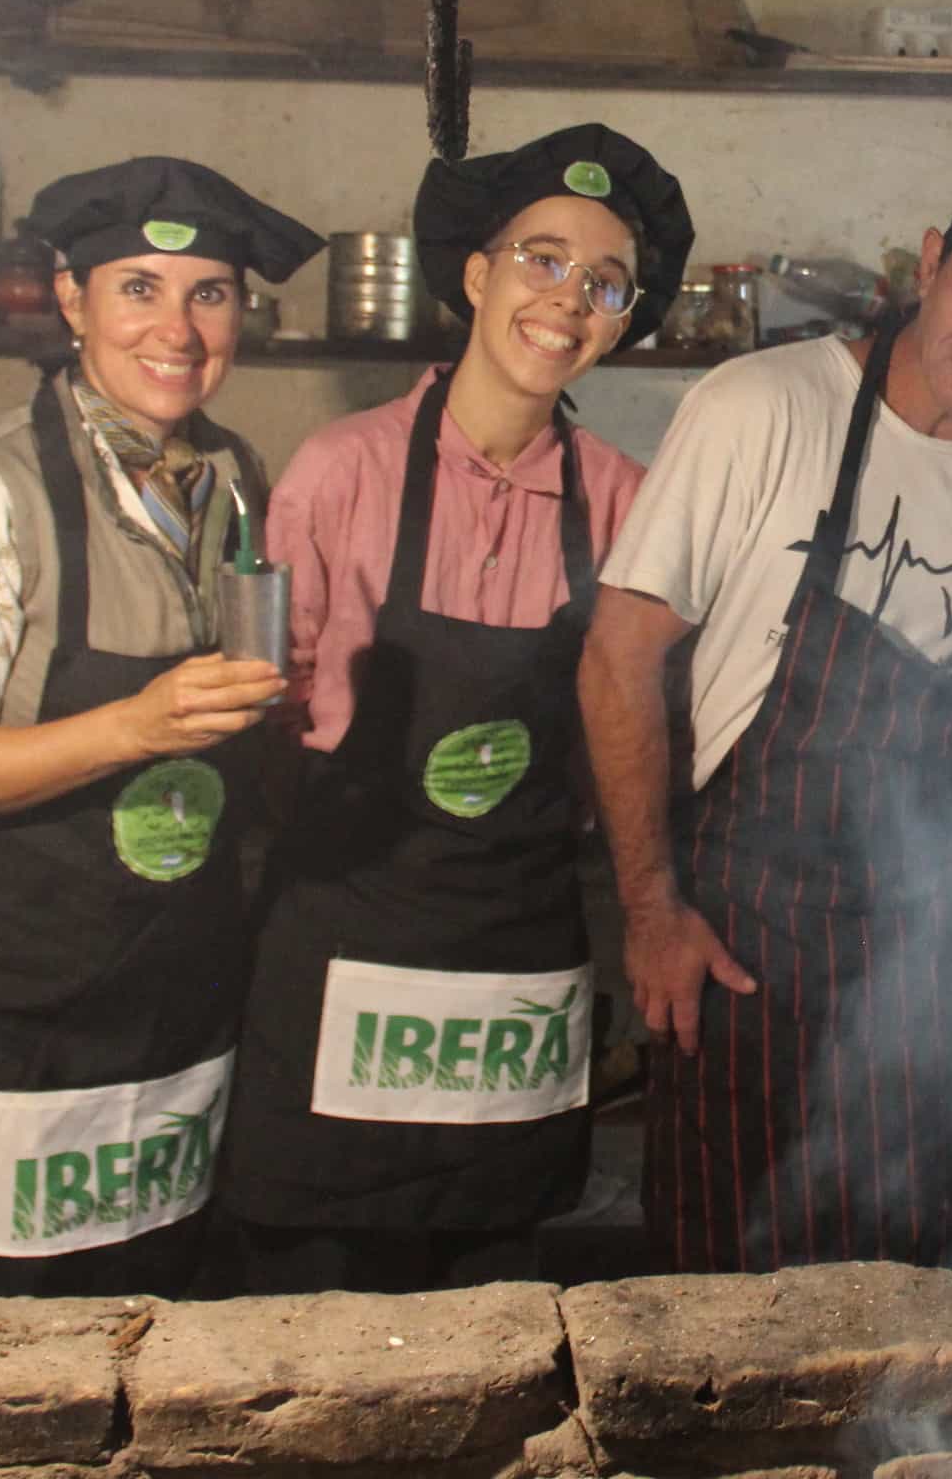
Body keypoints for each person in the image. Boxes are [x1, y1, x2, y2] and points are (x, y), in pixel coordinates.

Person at [580, 140, 952, 1274]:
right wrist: (649, 912)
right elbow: (616, 662)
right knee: (726, 1296)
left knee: (919, 1294)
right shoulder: (762, 406)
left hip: (938, 974)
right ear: (929, 262)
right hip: (740, 952)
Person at [220, 124, 693, 1294]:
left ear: (622, 322)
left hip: (512, 959)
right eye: (541, 260)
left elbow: (635, 725)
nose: (566, 299)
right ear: (477, 276)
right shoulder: (341, 468)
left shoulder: (627, 501)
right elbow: (267, 724)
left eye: (603, 283)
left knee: (490, 1315)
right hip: (346, 949)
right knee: (308, 1328)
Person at [0, 156, 323, 1297]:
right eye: (139, 288)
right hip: (11, 1008)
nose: (176, 327)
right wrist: (135, 721)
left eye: (207, 294)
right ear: (72, 301)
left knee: (161, 1318)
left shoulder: (231, 472)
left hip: (167, 994)